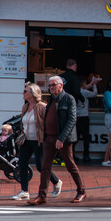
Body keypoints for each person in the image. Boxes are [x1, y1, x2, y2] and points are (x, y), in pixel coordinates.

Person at [27, 76, 86, 205]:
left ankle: (81, 191)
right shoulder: (51, 99)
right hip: (49, 137)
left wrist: (61, 138)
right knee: (45, 167)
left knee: (70, 165)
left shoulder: (68, 99)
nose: (51, 87)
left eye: (54, 85)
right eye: (50, 85)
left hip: (62, 139)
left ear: (61, 86)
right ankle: (42, 196)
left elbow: (72, 120)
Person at [13, 83, 63, 201]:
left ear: (33, 94)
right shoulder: (25, 107)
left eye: (26, 91)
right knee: (22, 164)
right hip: (26, 140)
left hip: (39, 141)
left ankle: (56, 182)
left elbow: (48, 123)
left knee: (41, 166)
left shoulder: (42, 107)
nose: (23, 93)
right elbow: (22, 123)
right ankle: (24, 191)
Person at [75, 75, 100, 162]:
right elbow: (94, 94)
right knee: (86, 137)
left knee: (76, 137)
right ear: (83, 84)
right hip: (84, 116)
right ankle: (86, 155)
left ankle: (72, 154)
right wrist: (95, 85)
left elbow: (86, 87)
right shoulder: (84, 92)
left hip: (76, 116)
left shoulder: (76, 91)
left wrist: (92, 83)